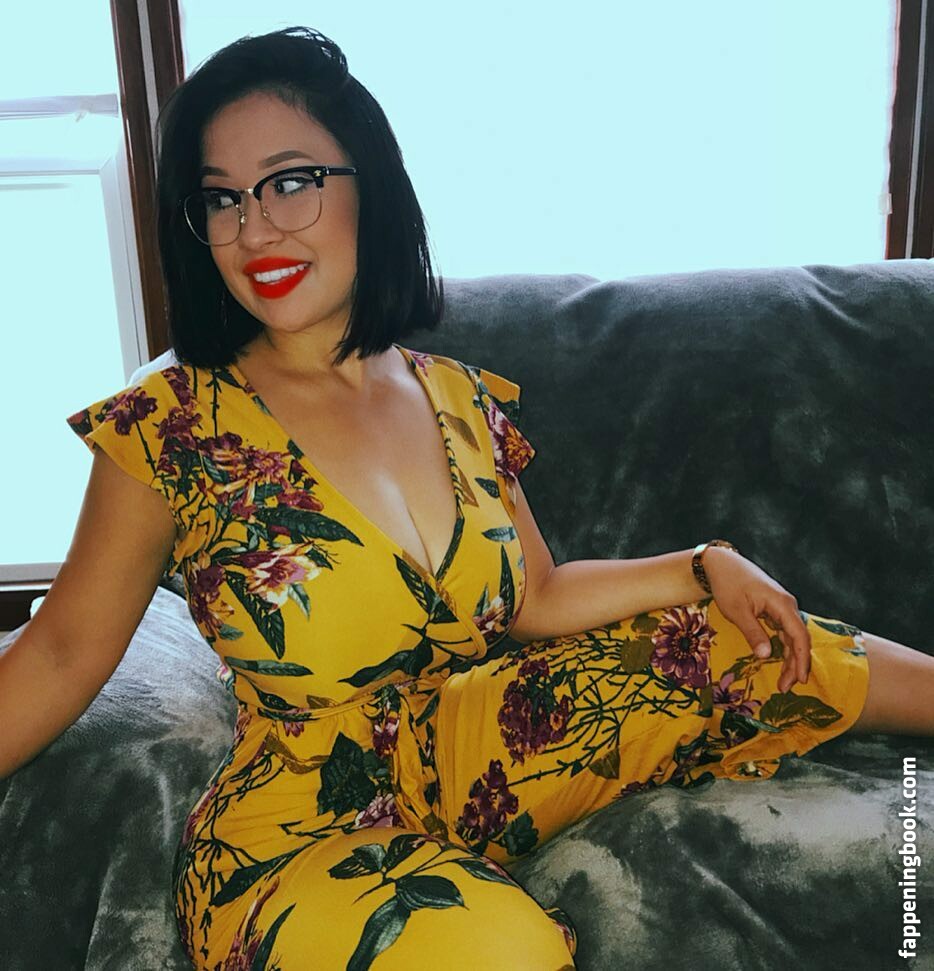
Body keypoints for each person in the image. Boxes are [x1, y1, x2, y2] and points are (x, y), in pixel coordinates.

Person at [3, 24, 932, 971]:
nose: (255, 229)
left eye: (289, 182)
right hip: (298, 827)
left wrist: (704, 565)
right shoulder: (172, 422)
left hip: (473, 750)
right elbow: (62, 651)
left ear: (369, 184)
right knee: (502, 949)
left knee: (729, 636)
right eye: (222, 199)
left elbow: (538, 595)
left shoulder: (456, 397)